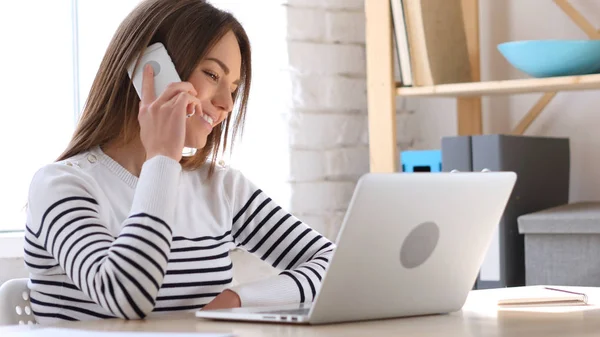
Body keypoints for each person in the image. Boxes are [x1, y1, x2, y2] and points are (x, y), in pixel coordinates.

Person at [24, 0, 334, 324]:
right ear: (150, 68)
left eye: (234, 89)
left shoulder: (221, 187)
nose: (226, 104)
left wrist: (240, 299)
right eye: (213, 74)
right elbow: (125, 296)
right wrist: (161, 158)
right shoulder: (60, 186)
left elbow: (334, 263)